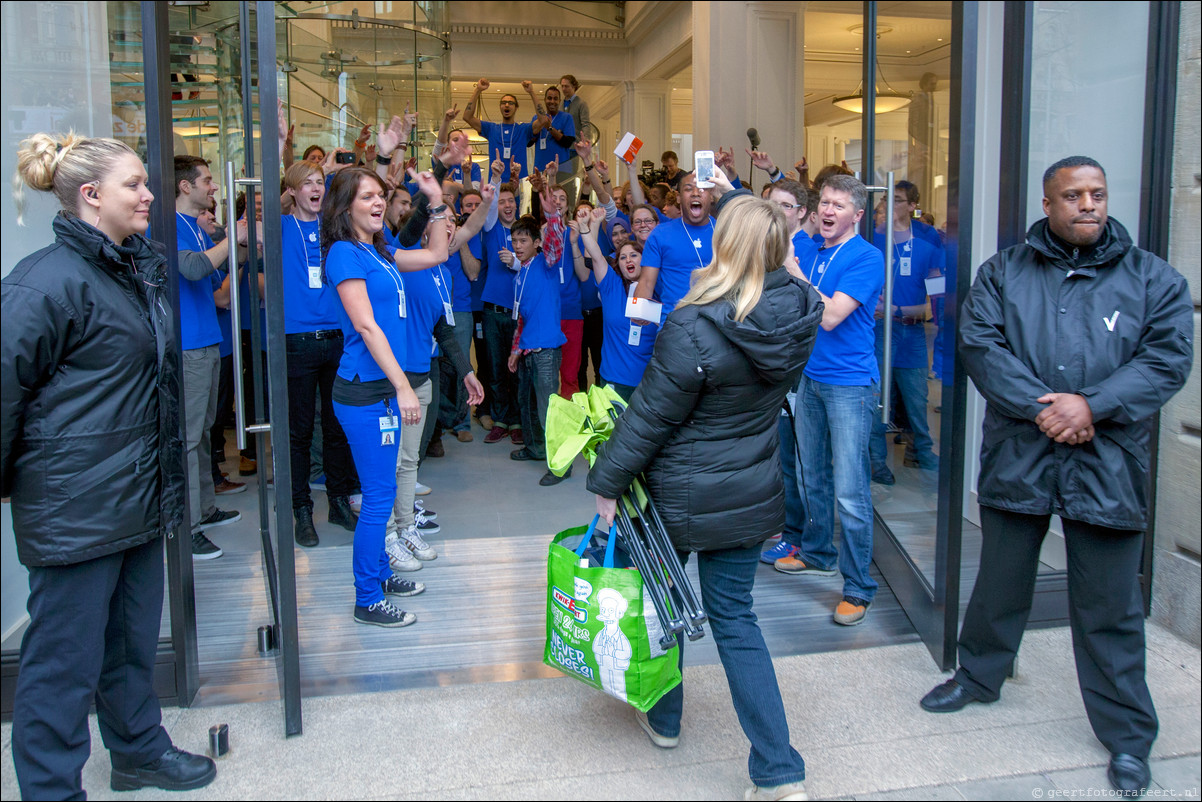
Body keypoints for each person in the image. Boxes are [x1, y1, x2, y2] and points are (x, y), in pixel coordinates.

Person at [919, 157, 1194, 795]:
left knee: (1110, 606)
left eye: (1097, 193)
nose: (1088, 205)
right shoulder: (1004, 273)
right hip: (1023, 451)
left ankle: (1127, 737)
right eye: (1073, 196)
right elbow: (982, 346)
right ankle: (979, 676)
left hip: (1108, 460)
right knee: (1000, 582)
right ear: (1048, 204)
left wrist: (1092, 405)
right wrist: (1050, 410)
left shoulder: (1154, 279)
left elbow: (1166, 358)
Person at [587, 190, 823, 802]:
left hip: (679, 497)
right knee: (737, 620)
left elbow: (649, 419)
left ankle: (665, 721)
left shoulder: (694, 323)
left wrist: (607, 484)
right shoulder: (798, 317)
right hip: (750, 491)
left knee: (665, 609)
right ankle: (779, 771)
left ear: (726, 245)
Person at [3, 133, 217, 799]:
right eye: (134, 184)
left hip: (135, 497)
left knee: (128, 645)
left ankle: (137, 753)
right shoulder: (44, 284)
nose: (149, 194)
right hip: (75, 508)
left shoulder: (132, 270)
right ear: (91, 196)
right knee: (62, 663)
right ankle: (51, 788)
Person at [322, 166, 446, 627]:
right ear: (345, 205)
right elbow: (366, 326)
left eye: (382, 196)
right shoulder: (342, 254)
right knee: (377, 498)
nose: (377, 203)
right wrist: (401, 386)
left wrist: (433, 202)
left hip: (385, 392)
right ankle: (367, 597)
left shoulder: (380, 252)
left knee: (385, 490)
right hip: (365, 393)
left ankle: (378, 574)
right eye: (367, 196)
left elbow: (436, 253)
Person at [775, 175, 885, 629]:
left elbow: (832, 316)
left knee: (850, 490)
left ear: (857, 214)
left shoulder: (866, 256)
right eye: (823, 202)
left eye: (838, 205)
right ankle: (818, 552)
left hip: (850, 386)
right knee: (810, 475)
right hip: (809, 378)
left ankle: (858, 588)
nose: (827, 210)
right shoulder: (814, 250)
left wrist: (794, 270)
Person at [280, 160, 361, 547]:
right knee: (298, 432)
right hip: (296, 341)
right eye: (307, 184)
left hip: (336, 338)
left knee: (336, 427)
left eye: (320, 183)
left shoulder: (334, 231)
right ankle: (300, 510)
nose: (316, 189)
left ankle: (338, 502)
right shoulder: (280, 229)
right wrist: (279, 145)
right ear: (292, 191)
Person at [174, 155, 248, 559]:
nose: (214, 187)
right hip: (186, 345)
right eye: (207, 180)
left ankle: (203, 509)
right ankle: (187, 528)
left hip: (207, 340)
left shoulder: (195, 227)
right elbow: (191, 268)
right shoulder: (168, 226)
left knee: (202, 432)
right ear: (186, 186)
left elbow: (218, 276)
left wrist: (238, 246)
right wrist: (230, 237)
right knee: (188, 438)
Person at [759, 179, 818, 565]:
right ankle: (786, 527)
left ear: (800, 213)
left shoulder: (807, 250)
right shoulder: (768, 248)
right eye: (771, 204)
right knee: (780, 459)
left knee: (799, 463)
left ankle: (799, 537)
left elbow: (807, 306)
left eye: (785, 205)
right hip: (772, 367)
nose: (777, 211)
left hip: (800, 370)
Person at [506, 175, 568, 486]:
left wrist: (553, 215)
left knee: (548, 409)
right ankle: (534, 448)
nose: (517, 246)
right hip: (529, 350)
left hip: (546, 352)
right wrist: (516, 350)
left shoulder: (546, 263)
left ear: (536, 243)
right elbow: (522, 319)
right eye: (514, 241)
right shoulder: (521, 275)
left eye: (523, 241)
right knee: (528, 406)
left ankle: (561, 465)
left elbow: (556, 243)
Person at [572, 207, 658, 401]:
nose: (628, 259)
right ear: (617, 264)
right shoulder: (612, 286)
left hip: (648, 383)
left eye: (634, 255)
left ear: (645, 261)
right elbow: (594, 255)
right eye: (623, 257)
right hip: (613, 381)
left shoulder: (657, 289)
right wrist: (586, 227)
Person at [635, 172, 715, 318]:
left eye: (702, 189)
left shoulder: (725, 232)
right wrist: (639, 313)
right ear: (678, 198)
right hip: (674, 326)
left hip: (714, 324)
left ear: (711, 195)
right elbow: (646, 282)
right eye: (688, 189)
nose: (695, 193)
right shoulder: (660, 234)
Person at [462, 78, 549, 184]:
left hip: (519, 183)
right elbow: (467, 117)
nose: (507, 105)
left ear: (516, 107)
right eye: (503, 103)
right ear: (500, 107)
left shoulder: (523, 130)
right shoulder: (491, 128)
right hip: (496, 184)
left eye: (510, 103)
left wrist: (531, 92)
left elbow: (543, 120)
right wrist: (478, 90)